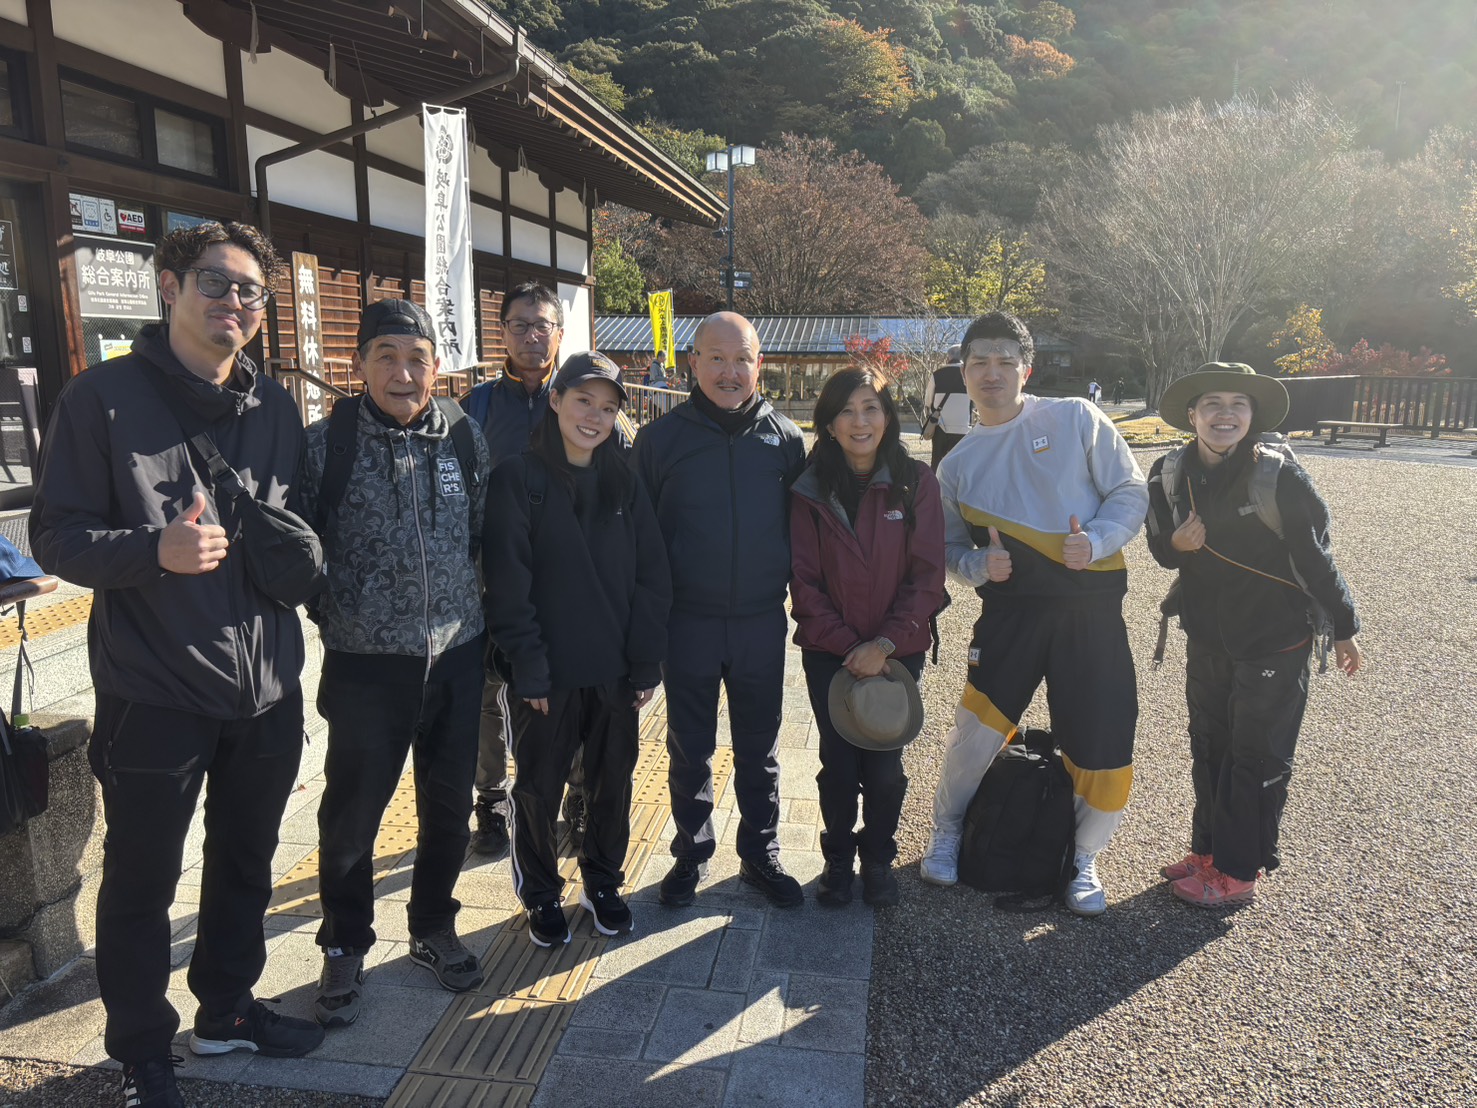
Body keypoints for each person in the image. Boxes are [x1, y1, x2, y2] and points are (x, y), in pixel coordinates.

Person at [30, 221, 323, 1107]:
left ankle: (227, 1011)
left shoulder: (275, 407)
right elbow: (56, 535)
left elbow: (297, 522)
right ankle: (142, 1049)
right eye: (215, 282)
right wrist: (153, 550)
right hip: (154, 688)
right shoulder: (101, 399)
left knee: (247, 859)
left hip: (268, 684)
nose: (233, 303)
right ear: (169, 285)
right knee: (144, 875)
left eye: (250, 293)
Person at [295, 298, 490, 1025]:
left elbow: (481, 536)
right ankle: (345, 940)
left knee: (446, 809)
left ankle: (434, 926)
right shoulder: (326, 445)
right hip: (365, 664)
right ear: (359, 366)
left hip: (457, 656)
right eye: (387, 358)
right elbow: (300, 549)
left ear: (436, 367)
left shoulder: (465, 439)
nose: (404, 374)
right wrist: (334, 615)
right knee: (351, 815)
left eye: (417, 359)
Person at [919, 311, 1148, 917]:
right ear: (962, 373)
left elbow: (1131, 491)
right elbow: (945, 550)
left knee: (1103, 741)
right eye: (978, 362)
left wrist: (1095, 541)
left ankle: (1082, 859)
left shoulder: (1075, 416)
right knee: (977, 734)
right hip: (1011, 615)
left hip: (1090, 610)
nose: (991, 373)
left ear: (1027, 367)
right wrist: (975, 568)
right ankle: (947, 833)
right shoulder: (956, 466)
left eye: (1004, 360)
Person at [1145, 362, 1361, 907]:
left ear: (1252, 416)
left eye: (1237, 404)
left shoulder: (1278, 475)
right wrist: (1178, 547)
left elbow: (1316, 556)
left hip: (1275, 637)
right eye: (1211, 404)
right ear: (1191, 415)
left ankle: (1239, 871)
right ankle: (1210, 851)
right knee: (1209, 745)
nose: (1225, 414)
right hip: (1208, 634)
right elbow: (1159, 549)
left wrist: (1344, 626)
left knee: (1256, 755)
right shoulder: (1167, 473)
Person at [483, 351, 671, 946]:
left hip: (614, 671)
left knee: (613, 781)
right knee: (537, 787)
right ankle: (540, 893)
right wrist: (529, 669)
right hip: (547, 674)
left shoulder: (624, 480)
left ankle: (603, 882)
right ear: (557, 400)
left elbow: (652, 576)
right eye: (583, 400)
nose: (594, 415)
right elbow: (507, 583)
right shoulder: (519, 478)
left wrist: (645, 661)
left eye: (608, 406)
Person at [633, 311, 807, 908]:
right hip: (688, 623)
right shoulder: (660, 440)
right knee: (690, 746)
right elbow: (642, 543)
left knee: (760, 747)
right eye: (717, 358)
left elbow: (805, 536)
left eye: (743, 359)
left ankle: (761, 853)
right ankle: (691, 851)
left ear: (759, 364)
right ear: (693, 363)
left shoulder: (785, 440)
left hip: (761, 619)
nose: (730, 372)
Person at [790, 367, 946, 908]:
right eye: (846, 411)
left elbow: (928, 576)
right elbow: (803, 582)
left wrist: (881, 645)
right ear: (828, 424)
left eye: (871, 408)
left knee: (883, 767)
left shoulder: (916, 482)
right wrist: (844, 644)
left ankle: (877, 857)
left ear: (887, 414)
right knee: (838, 764)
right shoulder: (809, 487)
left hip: (896, 653)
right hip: (827, 653)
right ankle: (836, 859)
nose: (860, 422)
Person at [461, 283, 586, 859]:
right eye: (520, 326)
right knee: (490, 688)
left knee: (575, 681)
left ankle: (579, 794)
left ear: (560, 333)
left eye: (543, 326)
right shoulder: (478, 405)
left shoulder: (585, 397)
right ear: (502, 333)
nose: (532, 337)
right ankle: (490, 799)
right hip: (493, 569)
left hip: (568, 572)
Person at [920, 344, 972, 469]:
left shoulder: (937, 374)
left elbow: (928, 401)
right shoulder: (969, 375)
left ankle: (935, 487)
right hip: (963, 428)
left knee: (937, 463)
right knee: (960, 466)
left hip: (941, 427)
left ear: (948, 358)